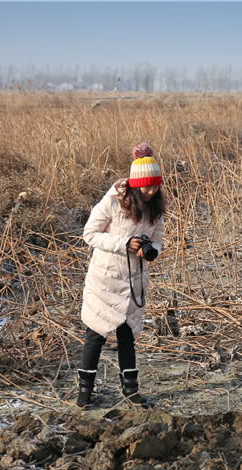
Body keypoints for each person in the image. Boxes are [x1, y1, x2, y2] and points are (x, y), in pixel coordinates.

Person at [76, 142, 165, 408]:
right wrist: (124, 244)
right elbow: (89, 235)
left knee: (128, 337)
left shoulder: (156, 207)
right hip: (104, 281)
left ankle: (131, 392)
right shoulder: (112, 202)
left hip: (133, 283)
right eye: (147, 187)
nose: (151, 191)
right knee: (95, 335)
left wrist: (152, 252)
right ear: (135, 184)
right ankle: (84, 393)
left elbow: (158, 239)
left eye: (155, 186)